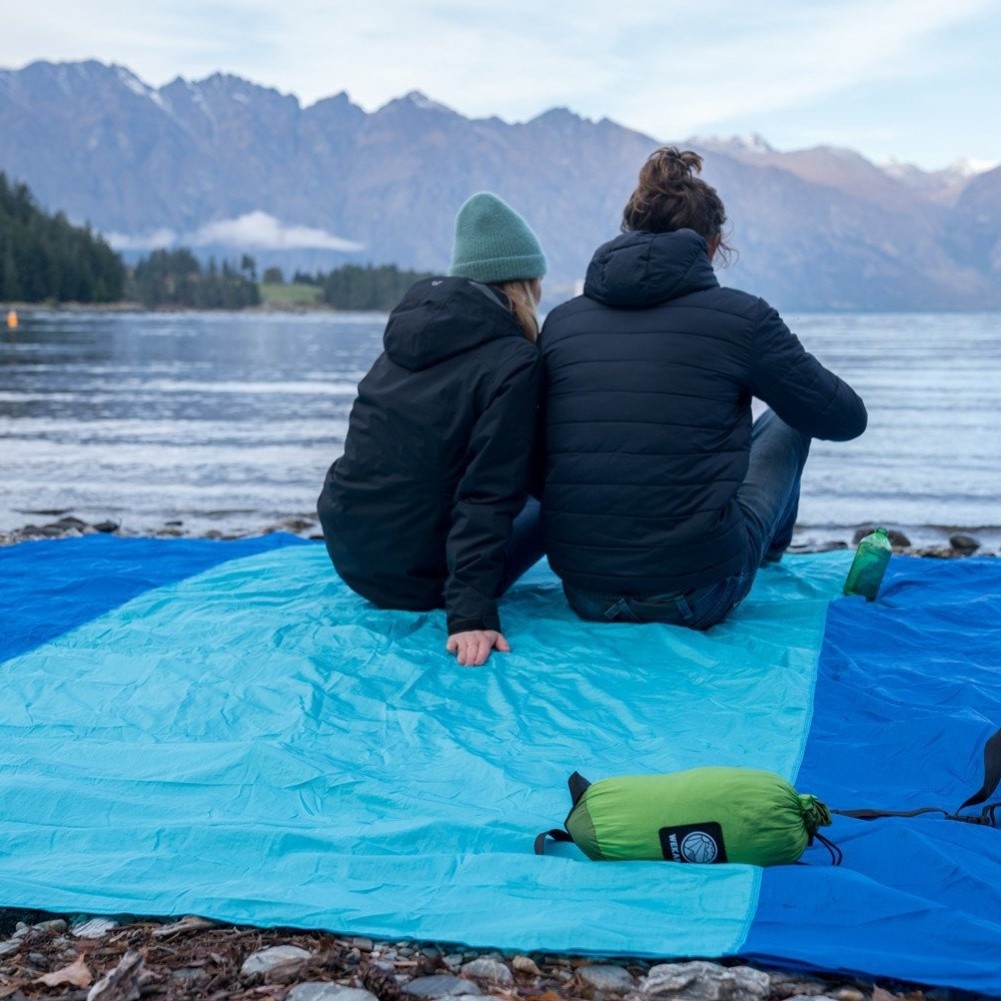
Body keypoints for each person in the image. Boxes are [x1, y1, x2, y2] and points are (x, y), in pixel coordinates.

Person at [540, 147, 867, 630]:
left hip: (585, 590)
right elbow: (845, 418)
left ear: (631, 233)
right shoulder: (743, 319)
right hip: (696, 595)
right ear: (712, 245)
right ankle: (769, 557)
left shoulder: (562, 323)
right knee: (788, 419)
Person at [317, 192, 546, 666]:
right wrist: (470, 616)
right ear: (525, 283)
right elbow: (488, 494)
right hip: (419, 579)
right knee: (554, 491)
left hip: (353, 559)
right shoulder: (514, 361)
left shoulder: (402, 342)